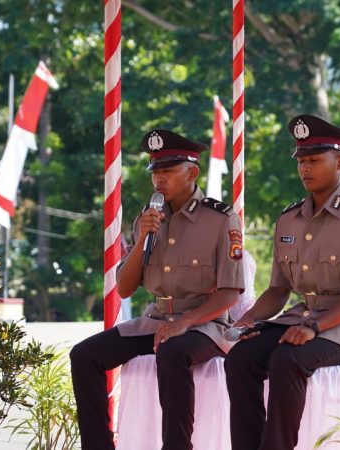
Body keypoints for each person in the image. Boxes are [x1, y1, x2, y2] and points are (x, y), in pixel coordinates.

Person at [70, 129, 245, 450]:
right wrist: (142, 240)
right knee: (84, 355)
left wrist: (185, 322)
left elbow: (230, 293)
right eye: (155, 172)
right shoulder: (147, 219)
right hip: (157, 320)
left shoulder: (221, 220)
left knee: (173, 351)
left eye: (168, 171)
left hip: (205, 325)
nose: (159, 180)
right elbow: (124, 288)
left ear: (192, 173)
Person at [225, 114, 340, 450]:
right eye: (301, 161)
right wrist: (248, 320)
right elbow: (278, 290)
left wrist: (315, 326)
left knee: (287, 359)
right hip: (303, 321)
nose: (305, 169)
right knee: (240, 357)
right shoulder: (289, 219)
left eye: (314, 160)